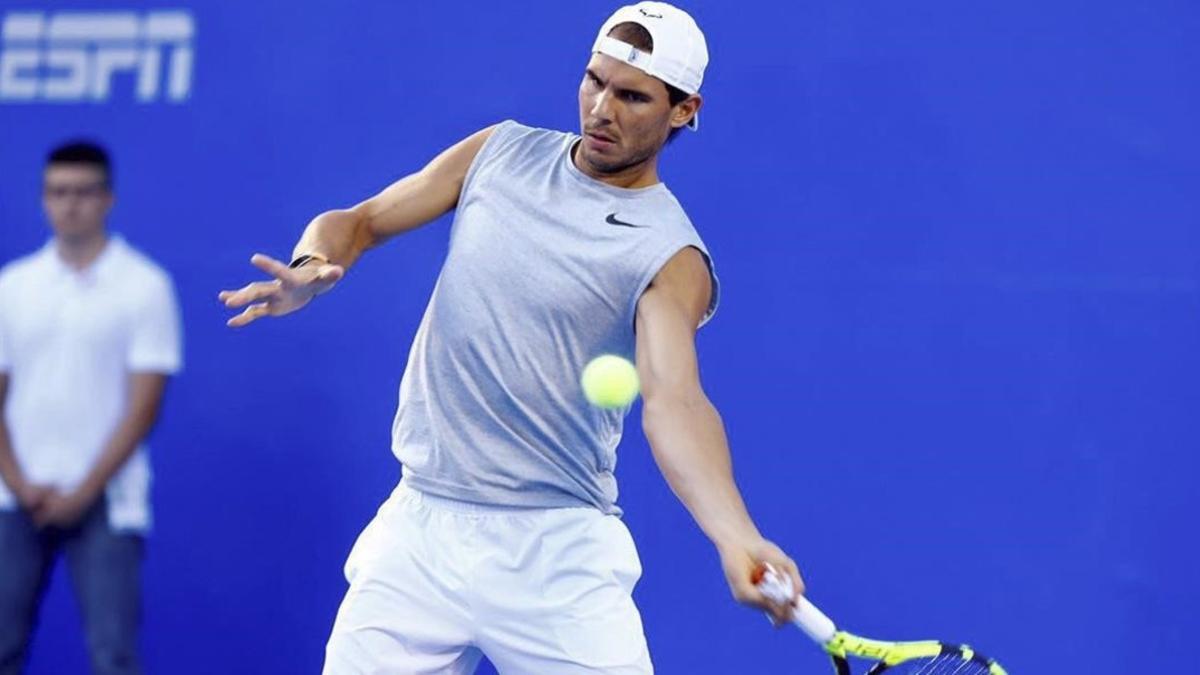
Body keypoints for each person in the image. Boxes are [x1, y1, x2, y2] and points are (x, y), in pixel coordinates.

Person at [220, 3, 803, 672]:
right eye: (595, 81)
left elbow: (675, 401)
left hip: (553, 553)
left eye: (632, 95)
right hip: (418, 530)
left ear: (682, 108)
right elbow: (360, 221)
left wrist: (736, 536)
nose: (601, 108)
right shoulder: (501, 151)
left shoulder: (671, 254)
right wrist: (309, 271)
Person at [0, 141, 182, 675]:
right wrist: (18, 480)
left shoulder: (144, 286)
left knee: (113, 655)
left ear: (107, 199)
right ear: (42, 201)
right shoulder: (12, 288)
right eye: (58, 193)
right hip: (15, 499)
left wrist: (83, 491)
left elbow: (143, 407)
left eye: (83, 192)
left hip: (107, 501)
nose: (70, 204)